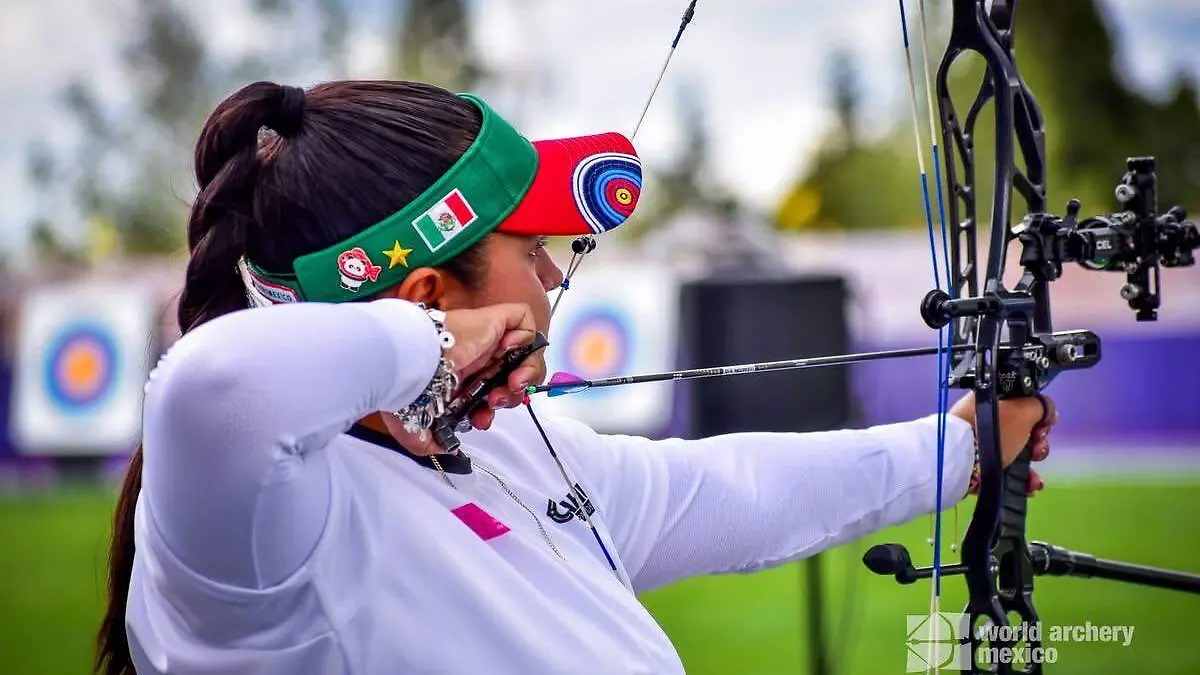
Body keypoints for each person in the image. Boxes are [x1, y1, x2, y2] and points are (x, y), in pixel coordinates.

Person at [96, 80, 1055, 675]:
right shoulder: (263, 526)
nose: (558, 273)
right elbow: (211, 386)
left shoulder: (498, 448)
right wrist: (433, 342)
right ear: (431, 292)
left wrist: (962, 447)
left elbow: (721, 492)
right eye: (534, 248)